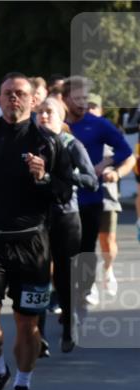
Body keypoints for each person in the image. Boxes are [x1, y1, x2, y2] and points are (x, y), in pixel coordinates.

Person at [0, 72, 74, 390]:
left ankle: (22, 387)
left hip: (32, 245)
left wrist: (44, 178)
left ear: (33, 100)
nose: (14, 99)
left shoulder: (49, 142)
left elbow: (65, 191)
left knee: (28, 324)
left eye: (20, 93)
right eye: (8, 93)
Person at [34, 96, 98, 353]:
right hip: (37, 217)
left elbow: (91, 180)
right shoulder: (31, 143)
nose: (44, 116)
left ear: (61, 117)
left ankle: (69, 327)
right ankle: (38, 335)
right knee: (37, 274)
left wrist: (66, 175)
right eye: (41, 112)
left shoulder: (72, 144)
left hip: (66, 216)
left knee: (63, 274)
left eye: (50, 112)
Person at [63, 78, 135, 307]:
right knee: (63, 247)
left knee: (87, 246)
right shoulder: (57, 123)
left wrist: (106, 164)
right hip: (62, 198)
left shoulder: (98, 124)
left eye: (85, 98)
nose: (82, 103)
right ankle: (61, 291)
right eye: (77, 99)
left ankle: (84, 289)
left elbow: (125, 149)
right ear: (65, 99)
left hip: (90, 196)